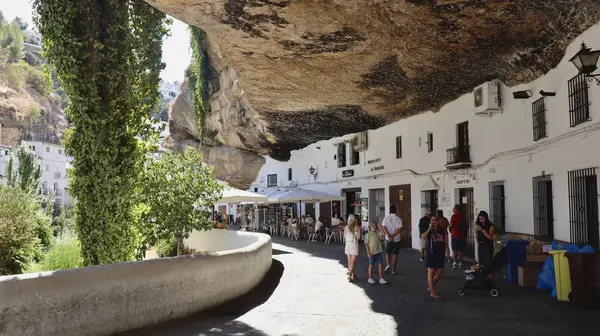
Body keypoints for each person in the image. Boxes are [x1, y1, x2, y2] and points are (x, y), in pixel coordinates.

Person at [421, 216, 447, 299]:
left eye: (436, 220)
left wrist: (447, 252)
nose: (434, 221)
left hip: (440, 254)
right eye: (432, 220)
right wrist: (429, 228)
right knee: (431, 272)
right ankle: (432, 291)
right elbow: (423, 236)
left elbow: (445, 242)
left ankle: (431, 287)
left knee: (440, 273)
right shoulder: (429, 230)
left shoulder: (441, 230)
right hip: (431, 253)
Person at [381, 205, 403, 274]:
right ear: (395, 211)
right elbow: (400, 229)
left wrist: (389, 235)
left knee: (388, 253)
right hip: (397, 239)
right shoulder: (399, 219)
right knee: (395, 254)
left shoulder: (386, 218)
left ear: (390, 211)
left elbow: (384, 226)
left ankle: (388, 265)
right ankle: (393, 270)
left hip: (388, 239)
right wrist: (393, 235)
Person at [475, 210, 496, 278]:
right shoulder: (478, 225)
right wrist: (476, 231)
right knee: (481, 263)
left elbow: (490, 237)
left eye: (482, 218)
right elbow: (476, 237)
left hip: (488, 246)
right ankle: (484, 279)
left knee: (489, 264)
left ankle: (491, 280)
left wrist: (483, 231)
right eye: (480, 219)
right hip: (481, 245)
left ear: (486, 218)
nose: (481, 220)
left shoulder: (491, 226)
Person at [449, 205, 467, 269]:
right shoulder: (463, 216)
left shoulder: (454, 216)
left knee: (454, 250)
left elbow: (451, 225)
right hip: (462, 235)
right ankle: (460, 263)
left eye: (453, 208)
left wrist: (449, 226)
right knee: (460, 250)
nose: (452, 209)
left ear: (456, 209)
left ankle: (454, 263)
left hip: (454, 235)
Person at [344, 214, 361, 281]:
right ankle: (350, 274)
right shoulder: (357, 227)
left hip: (348, 245)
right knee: (353, 261)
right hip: (354, 245)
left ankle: (353, 275)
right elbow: (359, 237)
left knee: (349, 261)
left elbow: (345, 237)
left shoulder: (346, 227)